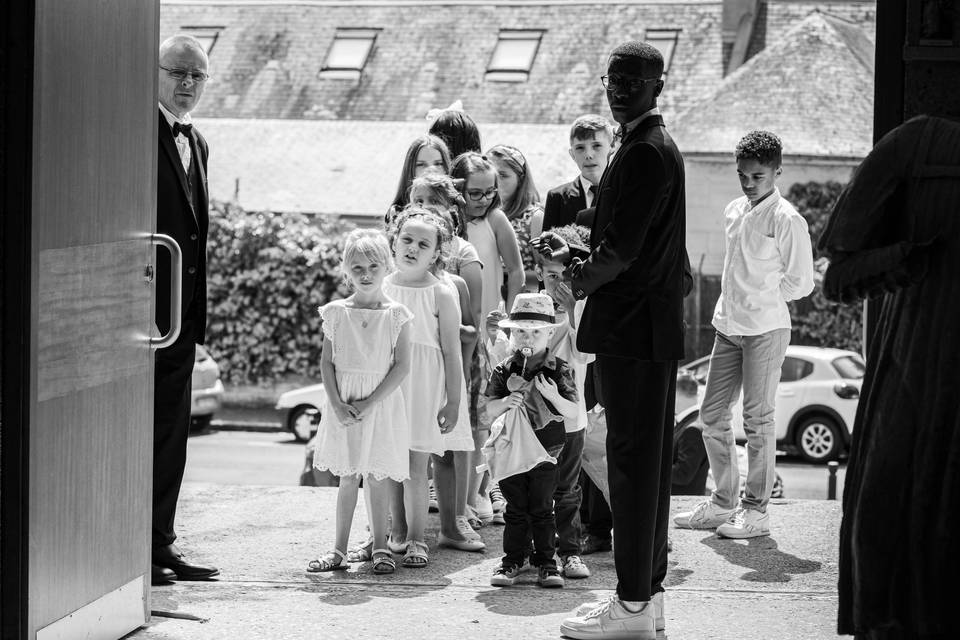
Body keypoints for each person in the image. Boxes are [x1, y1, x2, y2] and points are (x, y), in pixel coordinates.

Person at [534, 41, 690, 639]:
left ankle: (631, 605)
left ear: (659, 84)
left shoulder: (647, 151)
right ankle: (645, 601)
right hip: (643, 327)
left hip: (634, 330)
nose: (620, 88)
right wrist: (578, 251)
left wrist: (575, 276)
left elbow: (623, 251)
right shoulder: (643, 145)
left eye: (634, 79)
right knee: (642, 467)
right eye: (613, 79)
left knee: (632, 467)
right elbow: (634, 243)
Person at [819, 115, 960, 640]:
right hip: (921, 374)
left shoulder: (920, 143)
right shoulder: (918, 144)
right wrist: (908, 258)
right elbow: (839, 277)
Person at [674, 130, 814, 538]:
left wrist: (766, 299)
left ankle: (756, 511)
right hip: (726, 327)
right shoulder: (734, 209)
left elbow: (801, 281)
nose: (748, 182)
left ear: (776, 172)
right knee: (711, 416)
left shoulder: (786, 218)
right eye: (742, 175)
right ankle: (722, 503)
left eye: (757, 176)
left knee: (757, 419)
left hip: (765, 330)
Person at [306, 230, 413, 575]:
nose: (366, 274)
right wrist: (337, 404)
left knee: (377, 477)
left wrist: (370, 402)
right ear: (346, 270)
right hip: (344, 404)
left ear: (387, 266)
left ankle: (380, 546)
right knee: (348, 477)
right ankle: (338, 550)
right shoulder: (336, 312)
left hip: (379, 405)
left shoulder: (397, 314)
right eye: (357, 268)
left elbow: (402, 366)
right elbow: (327, 362)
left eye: (373, 266)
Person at [153, 34, 219, 586]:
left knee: (173, 434)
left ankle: (161, 544)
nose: (187, 83)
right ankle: (133, 550)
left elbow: (197, 238)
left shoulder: (198, 143)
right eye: (177, 71)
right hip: (139, 317)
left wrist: (196, 320)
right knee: (139, 432)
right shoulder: (134, 131)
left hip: (180, 317)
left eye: (197, 75)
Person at [382, 208, 476, 567]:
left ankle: (419, 538)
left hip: (424, 387)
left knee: (418, 466)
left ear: (437, 253)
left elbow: (452, 352)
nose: (412, 248)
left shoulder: (441, 293)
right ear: (394, 241)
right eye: (406, 239)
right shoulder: (384, 286)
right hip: (389, 386)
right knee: (391, 464)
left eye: (423, 243)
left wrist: (453, 402)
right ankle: (397, 532)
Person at [484, 293, 579, 589]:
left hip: (546, 451)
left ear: (549, 333)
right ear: (511, 332)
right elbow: (487, 410)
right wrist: (506, 402)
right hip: (511, 448)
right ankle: (513, 559)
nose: (528, 337)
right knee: (515, 507)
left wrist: (552, 396)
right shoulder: (504, 369)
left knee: (542, 507)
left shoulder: (558, 369)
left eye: (536, 331)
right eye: (521, 330)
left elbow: (573, 410)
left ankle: (547, 563)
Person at [536, 224, 593, 580]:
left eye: (563, 277)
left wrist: (572, 311)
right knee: (536, 488)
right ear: (540, 274)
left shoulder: (582, 307)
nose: (556, 286)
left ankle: (570, 552)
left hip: (571, 420)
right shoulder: (530, 308)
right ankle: (538, 552)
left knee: (568, 490)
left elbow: (585, 355)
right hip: (536, 420)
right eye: (549, 276)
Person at [450, 152, 524, 320]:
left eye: (490, 192)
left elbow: (516, 271)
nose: (484, 200)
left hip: (490, 320)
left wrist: (510, 319)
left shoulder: (495, 219)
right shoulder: (444, 223)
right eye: (475, 193)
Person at [543, 115, 615, 232]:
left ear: (612, 148)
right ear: (572, 155)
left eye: (596, 146)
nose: (588, 155)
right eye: (580, 148)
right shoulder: (557, 197)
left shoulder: (622, 193)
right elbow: (548, 246)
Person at [486, 144, 543, 286]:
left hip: (521, 303)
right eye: (490, 174)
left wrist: (506, 276)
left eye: (503, 175)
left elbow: (547, 274)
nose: (495, 181)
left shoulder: (534, 218)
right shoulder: (477, 215)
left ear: (520, 179)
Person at [385, 135, 452, 224]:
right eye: (421, 164)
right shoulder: (396, 213)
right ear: (410, 169)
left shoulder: (458, 207)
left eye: (438, 164)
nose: (430, 169)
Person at [671, 372, 708, 496]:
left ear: (675, 394)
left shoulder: (692, 430)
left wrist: (651, 468)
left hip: (681, 501)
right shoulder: (693, 421)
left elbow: (683, 474)